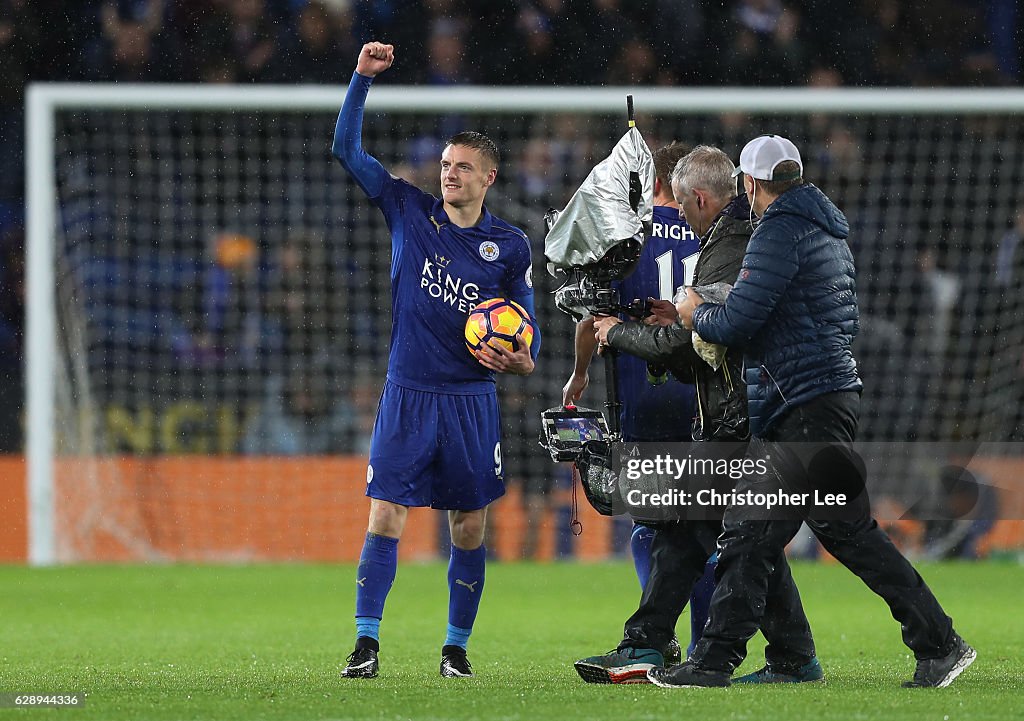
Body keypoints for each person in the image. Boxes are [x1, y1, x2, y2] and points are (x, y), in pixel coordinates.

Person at [658, 134, 975, 689]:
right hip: (820, 397)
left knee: (751, 530)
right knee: (841, 531)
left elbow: (738, 324)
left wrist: (693, 314)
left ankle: (713, 662)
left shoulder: (778, 232)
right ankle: (936, 643)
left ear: (752, 185)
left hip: (801, 401)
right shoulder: (824, 227)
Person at [332, 42, 540, 680]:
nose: (449, 174)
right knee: (385, 511)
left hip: (472, 400)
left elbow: (527, 336)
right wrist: (361, 81)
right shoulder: (407, 208)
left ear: (488, 179)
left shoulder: (509, 246)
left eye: (463, 167)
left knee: (470, 524)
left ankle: (455, 648)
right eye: (447, 164)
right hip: (408, 392)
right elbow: (347, 150)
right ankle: (366, 645)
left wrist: (519, 362)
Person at [575, 145, 819, 685]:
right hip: (737, 413)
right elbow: (706, 340)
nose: (678, 215)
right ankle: (793, 657)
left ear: (702, 198)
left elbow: (696, 345)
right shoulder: (729, 239)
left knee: (693, 525)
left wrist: (623, 333)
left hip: (739, 418)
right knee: (739, 537)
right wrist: (674, 322)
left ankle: (653, 645)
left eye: (683, 205)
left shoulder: (730, 247)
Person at [562, 141, 703, 665]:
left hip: (642, 390)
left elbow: (589, 317)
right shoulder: (713, 232)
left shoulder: (629, 234)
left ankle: (658, 640)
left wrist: (578, 375)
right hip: (704, 391)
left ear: (653, 182)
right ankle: (701, 644)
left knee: (653, 523)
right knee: (704, 521)